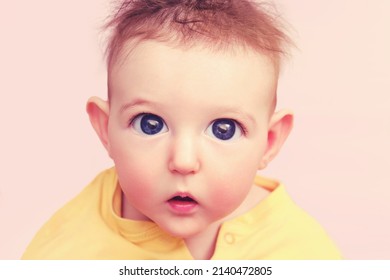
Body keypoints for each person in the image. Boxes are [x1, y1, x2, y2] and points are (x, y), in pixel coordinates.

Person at [22, 0, 341, 260]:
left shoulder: (299, 252)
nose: (184, 161)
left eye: (224, 129)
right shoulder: (70, 250)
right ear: (105, 130)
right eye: (150, 124)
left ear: (269, 142)